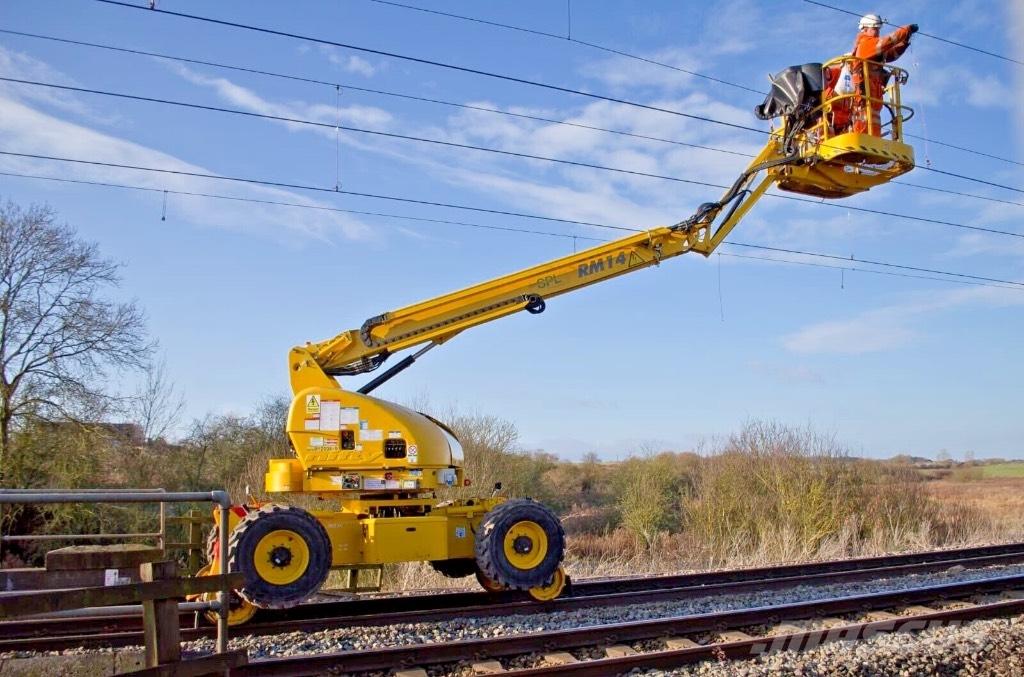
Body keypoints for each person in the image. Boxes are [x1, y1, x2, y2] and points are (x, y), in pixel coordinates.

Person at [848, 14, 919, 135]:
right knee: (864, 122)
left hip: (873, 97)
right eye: (875, 29)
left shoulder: (874, 49)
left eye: (878, 29)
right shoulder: (865, 44)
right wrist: (906, 30)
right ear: (865, 29)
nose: (877, 32)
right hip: (864, 97)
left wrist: (905, 40)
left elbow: (892, 54)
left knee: (873, 122)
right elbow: (888, 41)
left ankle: (873, 140)